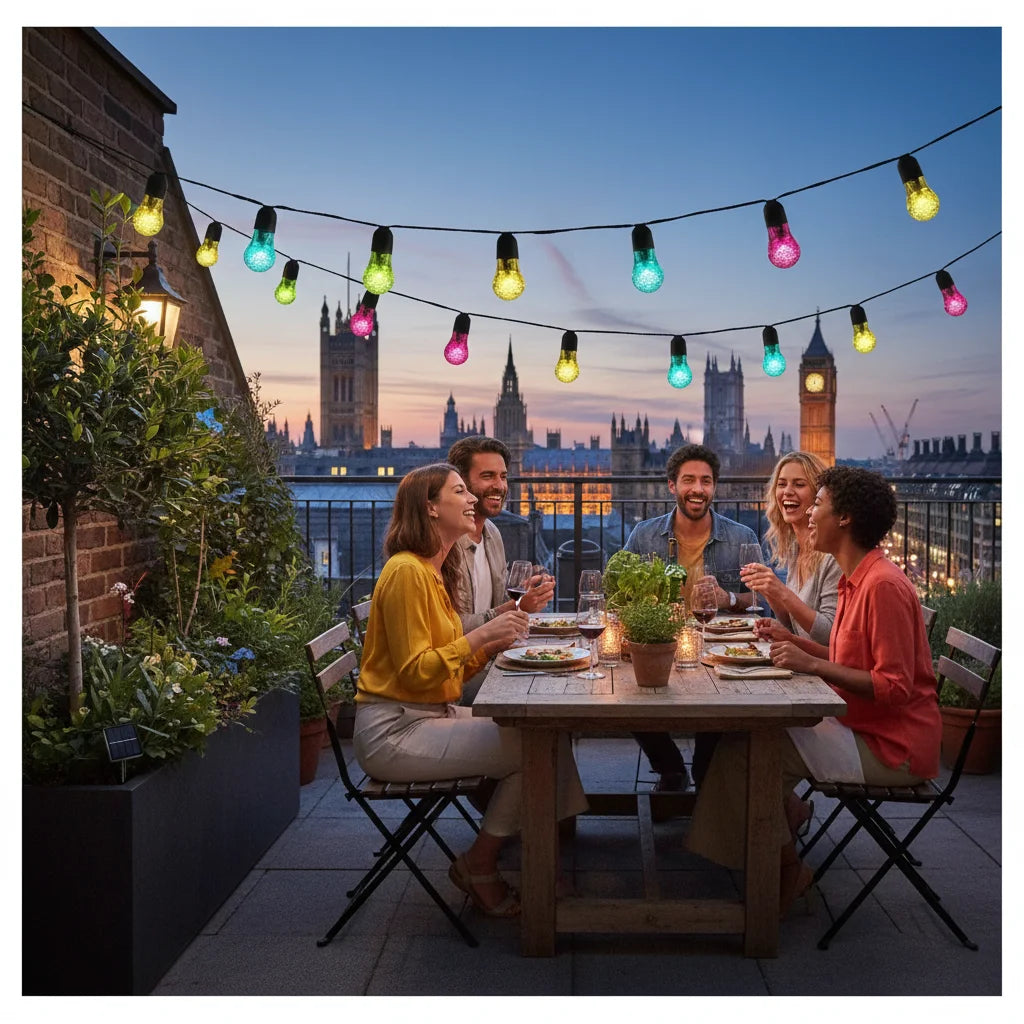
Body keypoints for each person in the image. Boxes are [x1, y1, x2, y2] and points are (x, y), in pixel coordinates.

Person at [687, 466, 941, 913]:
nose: (808, 516)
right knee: (743, 740)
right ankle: (770, 839)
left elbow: (895, 689)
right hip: (856, 724)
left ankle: (787, 870)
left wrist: (807, 661)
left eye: (817, 503)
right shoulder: (854, 578)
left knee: (749, 754)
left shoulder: (882, 586)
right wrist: (794, 641)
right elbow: (843, 656)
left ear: (844, 518)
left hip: (891, 747)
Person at [352, 463, 588, 918]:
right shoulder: (407, 573)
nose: (473, 500)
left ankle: (548, 852)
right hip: (394, 732)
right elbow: (416, 672)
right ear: (431, 507)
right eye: (461, 491)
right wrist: (481, 637)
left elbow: (447, 669)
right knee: (536, 747)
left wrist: (495, 640)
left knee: (548, 735)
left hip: (427, 714)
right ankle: (482, 864)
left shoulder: (431, 569)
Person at [621, 442, 761, 792]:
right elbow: (619, 596)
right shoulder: (644, 535)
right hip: (661, 644)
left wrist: (728, 598)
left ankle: (704, 771)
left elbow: (764, 599)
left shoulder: (742, 537)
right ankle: (670, 768)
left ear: (714, 487)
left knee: (723, 704)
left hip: (718, 649)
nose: (697, 489)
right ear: (672, 486)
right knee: (622, 694)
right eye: (688, 480)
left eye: (706, 481)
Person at [741, 451, 842, 834]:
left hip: (824, 687)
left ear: (819, 496)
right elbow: (794, 626)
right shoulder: (798, 546)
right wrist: (773, 598)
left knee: (745, 744)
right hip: (803, 674)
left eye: (799, 484)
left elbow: (830, 634)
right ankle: (786, 810)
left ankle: (773, 852)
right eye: (782, 484)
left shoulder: (830, 556)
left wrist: (781, 593)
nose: (787, 491)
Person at [447, 436, 554, 704]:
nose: (499, 486)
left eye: (503, 476)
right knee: (547, 692)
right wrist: (515, 607)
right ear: (460, 483)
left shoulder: (492, 533)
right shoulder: (446, 544)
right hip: (461, 675)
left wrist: (527, 591)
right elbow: (451, 628)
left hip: (491, 660)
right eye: (487, 476)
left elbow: (502, 600)